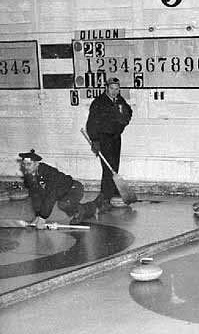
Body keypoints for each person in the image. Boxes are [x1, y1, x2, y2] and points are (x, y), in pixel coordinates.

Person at [86, 77, 132, 212]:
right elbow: (91, 122)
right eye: (112, 88)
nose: (114, 92)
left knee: (115, 166)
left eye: (117, 89)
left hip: (116, 138)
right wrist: (95, 140)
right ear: (106, 88)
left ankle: (112, 192)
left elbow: (128, 112)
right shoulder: (98, 102)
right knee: (108, 167)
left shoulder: (119, 100)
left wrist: (123, 120)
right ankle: (105, 198)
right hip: (103, 139)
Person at [19, 149, 97, 227]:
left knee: (63, 204)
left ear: (37, 164)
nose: (26, 167)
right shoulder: (30, 176)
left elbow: (51, 195)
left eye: (29, 164)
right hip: (62, 193)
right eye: (24, 164)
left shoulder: (50, 173)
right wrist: (38, 215)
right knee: (60, 202)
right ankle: (87, 210)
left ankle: (86, 208)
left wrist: (43, 217)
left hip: (74, 189)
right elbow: (35, 196)